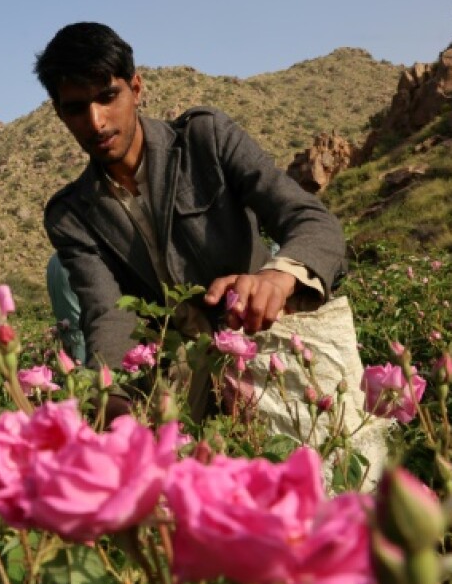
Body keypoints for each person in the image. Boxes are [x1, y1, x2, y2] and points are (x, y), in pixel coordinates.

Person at [37, 22, 346, 416]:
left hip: (261, 346)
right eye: (77, 108)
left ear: (136, 88)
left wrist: (276, 279)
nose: (96, 121)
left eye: (108, 96)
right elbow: (109, 314)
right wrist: (112, 405)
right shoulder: (72, 216)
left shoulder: (206, 140)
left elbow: (310, 221)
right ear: (60, 114)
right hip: (178, 383)